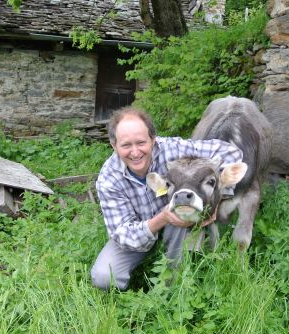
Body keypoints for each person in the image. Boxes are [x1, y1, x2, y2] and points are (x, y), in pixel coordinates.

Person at [91, 106, 243, 290]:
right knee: (103, 277)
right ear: (114, 146)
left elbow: (231, 152)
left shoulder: (172, 149)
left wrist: (216, 198)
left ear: (153, 140)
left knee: (182, 272)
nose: (135, 152)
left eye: (141, 142)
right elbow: (122, 235)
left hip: (180, 220)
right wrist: (161, 219)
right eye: (126, 145)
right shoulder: (108, 179)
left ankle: (184, 284)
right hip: (140, 230)